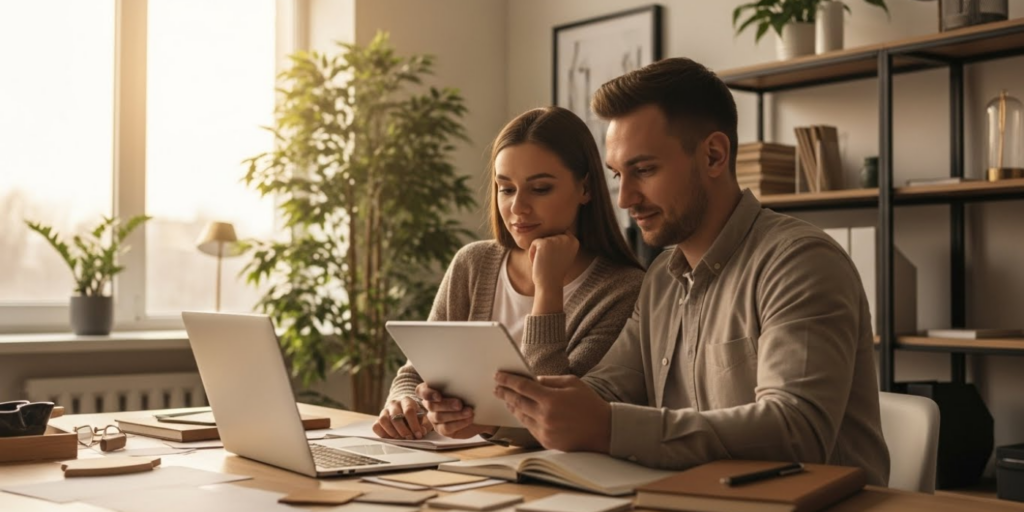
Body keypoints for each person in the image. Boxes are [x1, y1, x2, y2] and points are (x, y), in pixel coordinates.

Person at [489, 58, 891, 486]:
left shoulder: (800, 261)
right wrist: (493, 412)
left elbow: (797, 430)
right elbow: (600, 396)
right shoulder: (661, 279)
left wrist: (608, 426)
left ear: (714, 155)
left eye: (643, 170)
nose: (625, 198)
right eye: (617, 175)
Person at [373, 106, 645, 442]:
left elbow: (558, 415)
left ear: (585, 189)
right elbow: (415, 372)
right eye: (506, 188)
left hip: (550, 477)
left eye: (540, 189)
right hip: (463, 466)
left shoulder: (623, 290)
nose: (517, 208)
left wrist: (547, 290)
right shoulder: (473, 264)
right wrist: (408, 405)